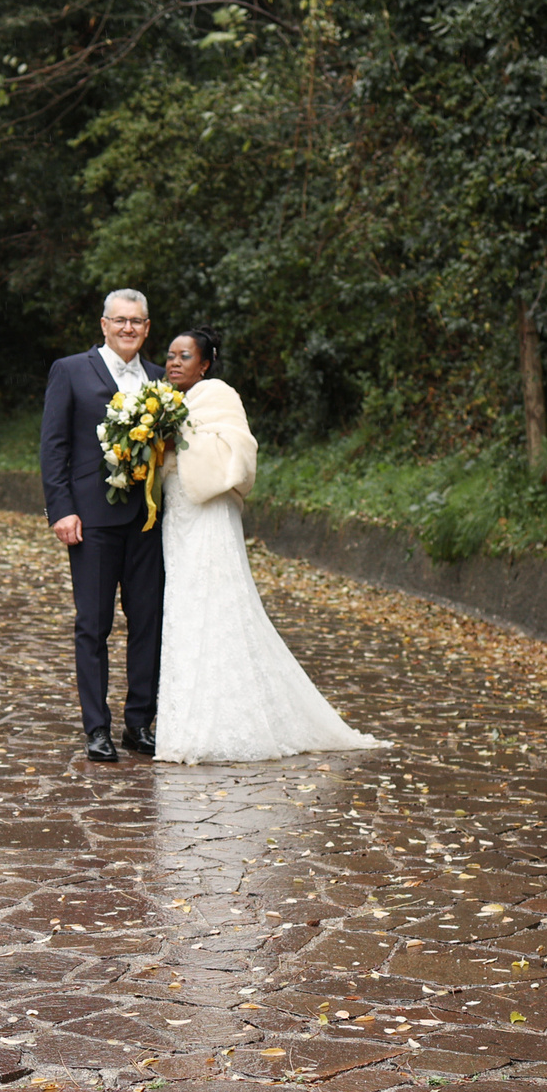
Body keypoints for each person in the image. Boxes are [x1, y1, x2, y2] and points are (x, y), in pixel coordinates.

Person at [153, 326, 386, 764]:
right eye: (169, 355)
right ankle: (184, 723)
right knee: (184, 607)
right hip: (178, 516)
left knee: (215, 604)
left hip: (209, 513)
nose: (173, 363)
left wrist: (177, 439)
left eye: (184, 356)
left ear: (205, 364)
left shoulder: (218, 395)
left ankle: (222, 723)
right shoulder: (163, 402)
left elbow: (238, 451)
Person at [40, 288, 165, 762]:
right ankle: (97, 728)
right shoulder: (70, 371)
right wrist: (62, 509)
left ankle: (139, 722)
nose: (128, 328)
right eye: (120, 320)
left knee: (147, 622)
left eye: (137, 321)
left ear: (147, 328)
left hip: (146, 519)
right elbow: (54, 447)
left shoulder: (158, 379)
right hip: (90, 520)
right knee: (93, 625)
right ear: (104, 324)